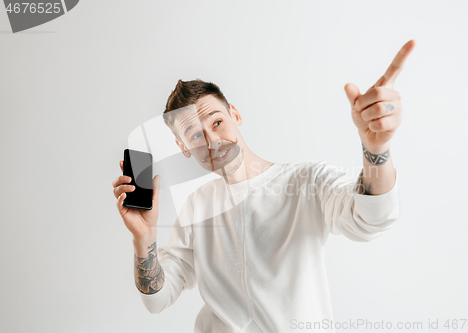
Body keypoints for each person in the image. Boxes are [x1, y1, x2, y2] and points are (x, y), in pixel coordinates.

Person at [111, 40, 416, 332]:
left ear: (235, 114)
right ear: (184, 147)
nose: (212, 141)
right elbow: (157, 299)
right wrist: (145, 238)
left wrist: (376, 152)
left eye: (216, 122)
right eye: (195, 135)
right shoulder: (196, 206)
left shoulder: (306, 182)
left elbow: (372, 219)